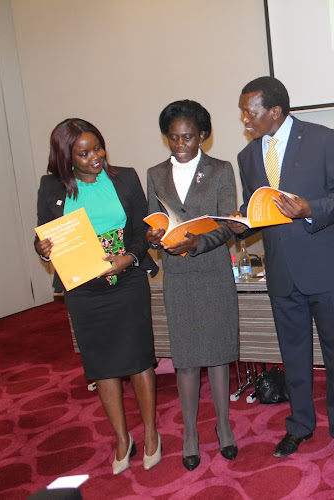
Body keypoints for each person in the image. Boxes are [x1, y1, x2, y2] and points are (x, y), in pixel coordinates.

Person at [227, 76, 334, 464]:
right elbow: (259, 210)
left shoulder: (322, 138)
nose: (244, 120)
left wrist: (310, 210)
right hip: (282, 272)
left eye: (248, 111)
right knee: (294, 355)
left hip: (326, 266)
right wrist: (243, 224)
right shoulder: (248, 157)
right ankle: (300, 425)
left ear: (274, 111)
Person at [35, 119, 160, 475]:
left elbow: (140, 229)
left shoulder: (124, 177)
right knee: (102, 363)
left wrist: (127, 259)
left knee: (139, 359)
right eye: (84, 153)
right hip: (84, 288)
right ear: (66, 158)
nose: (95, 157)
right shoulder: (52, 186)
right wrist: (43, 250)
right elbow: (44, 234)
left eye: (98, 148)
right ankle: (123, 439)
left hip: (127, 277)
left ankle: (151, 433)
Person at [146, 100, 239, 471]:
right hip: (178, 275)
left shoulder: (220, 170)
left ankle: (224, 427)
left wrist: (198, 243)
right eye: (173, 138)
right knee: (185, 358)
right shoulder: (154, 173)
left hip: (212, 269)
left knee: (217, 355)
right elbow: (153, 221)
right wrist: (153, 237)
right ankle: (189, 433)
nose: (180, 144)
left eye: (187, 137)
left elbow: (228, 225)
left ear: (203, 135)